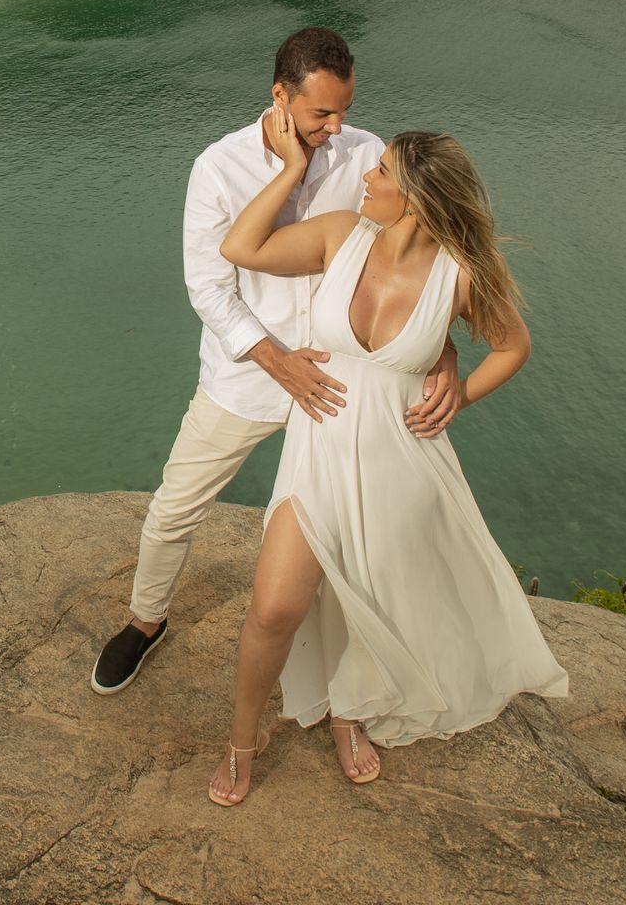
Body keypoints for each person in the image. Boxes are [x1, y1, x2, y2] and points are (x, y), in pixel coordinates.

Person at [90, 28, 464, 697]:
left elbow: (411, 257)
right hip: (243, 378)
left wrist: (444, 352)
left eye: (344, 110)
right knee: (174, 508)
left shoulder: (366, 157)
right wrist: (275, 359)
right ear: (280, 96)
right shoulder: (218, 166)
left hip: (341, 381)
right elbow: (208, 284)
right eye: (322, 113)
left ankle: (345, 665)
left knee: (347, 530)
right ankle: (145, 623)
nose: (337, 126)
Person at [204, 125, 568, 806]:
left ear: (418, 200)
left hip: (402, 462)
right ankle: (241, 740)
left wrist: (458, 393)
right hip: (319, 450)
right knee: (275, 607)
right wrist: (288, 169)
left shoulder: (461, 275)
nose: (365, 179)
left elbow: (512, 346)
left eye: (381, 173)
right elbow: (239, 248)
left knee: (373, 601)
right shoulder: (339, 235)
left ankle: (349, 714)